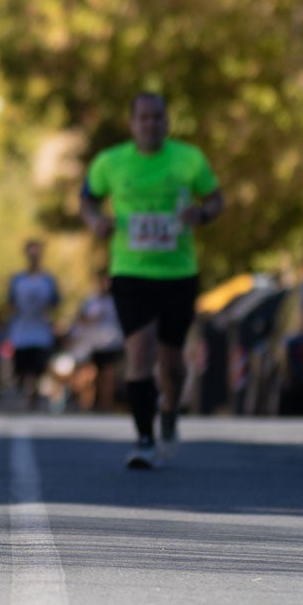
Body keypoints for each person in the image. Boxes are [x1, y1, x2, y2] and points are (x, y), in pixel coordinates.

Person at [81, 92, 223, 469]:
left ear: (167, 122)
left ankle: (171, 410)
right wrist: (95, 221)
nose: (150, 124)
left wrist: (201, 214)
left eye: (157, 117)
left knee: (172, 362)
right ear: (132, 124)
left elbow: (215, 199)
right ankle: (145, 439)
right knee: (140, 353)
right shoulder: (111, 162)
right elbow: (88, 198)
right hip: (130, 271)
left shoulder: (189, 159)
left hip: (179, 272)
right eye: (143, 118)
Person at [6, 238, 61, 410]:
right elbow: (10, 303)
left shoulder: (48, 280)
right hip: (22, 330)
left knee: (38, 366)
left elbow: (56, 302)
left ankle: (34, 395)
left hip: (40, 330)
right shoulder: (17, 280)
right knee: (22, 367)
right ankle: (24, 390)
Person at [65, 268, 124, 411]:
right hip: (93, 344)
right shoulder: (90, 301)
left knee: (108, 374)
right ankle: (88, 402)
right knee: (90, 374)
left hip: (111, 343)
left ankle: (106, 403)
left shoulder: (117, 301)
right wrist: (90, 320)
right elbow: (80, 318)